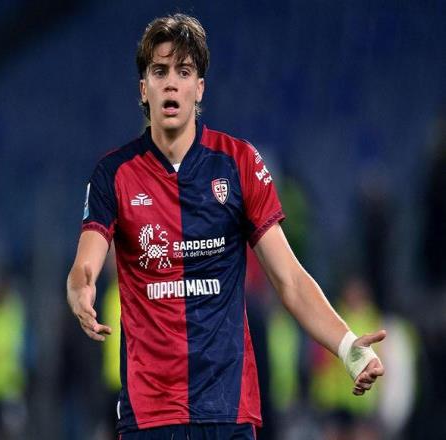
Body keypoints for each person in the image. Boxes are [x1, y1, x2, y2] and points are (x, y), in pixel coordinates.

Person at [67, 13, 385, 439]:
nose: (171, 84)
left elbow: (289, 278)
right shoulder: (114, 173)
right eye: (159, 72)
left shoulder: (239, 163)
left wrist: (346, 347)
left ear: (199, 88)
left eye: (184, 72)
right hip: (150, 416)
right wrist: (81, 289)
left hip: (228, 411)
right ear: (144, 88)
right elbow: (86, 261)